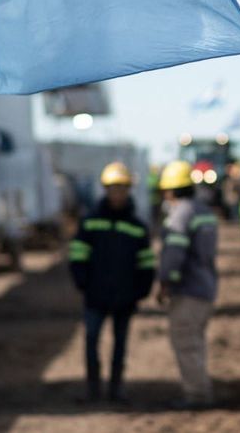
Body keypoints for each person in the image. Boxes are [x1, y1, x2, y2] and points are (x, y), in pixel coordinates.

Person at [68, 161, 156, 403]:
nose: (117, 193)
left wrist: (141, 291)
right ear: (105, 189)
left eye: (122, 188)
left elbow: (146, 263)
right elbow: (77, 255)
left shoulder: (137, 227)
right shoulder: (90, 222)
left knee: (120, 344)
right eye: (113, 188)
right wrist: (83, 283)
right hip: (95, 295)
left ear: (128, 190)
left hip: (125, 297)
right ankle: (93, 389)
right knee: (91, 341)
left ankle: (116, 389)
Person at [157, 159, 219, 408]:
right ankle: (200, 389)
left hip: (188, 291)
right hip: (206, 288)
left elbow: (174, 254)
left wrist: (165, 282)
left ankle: (197, 396)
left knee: (186, 344)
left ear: (170, 190)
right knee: (196, 343)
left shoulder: (180, 214)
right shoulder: (204, 211)